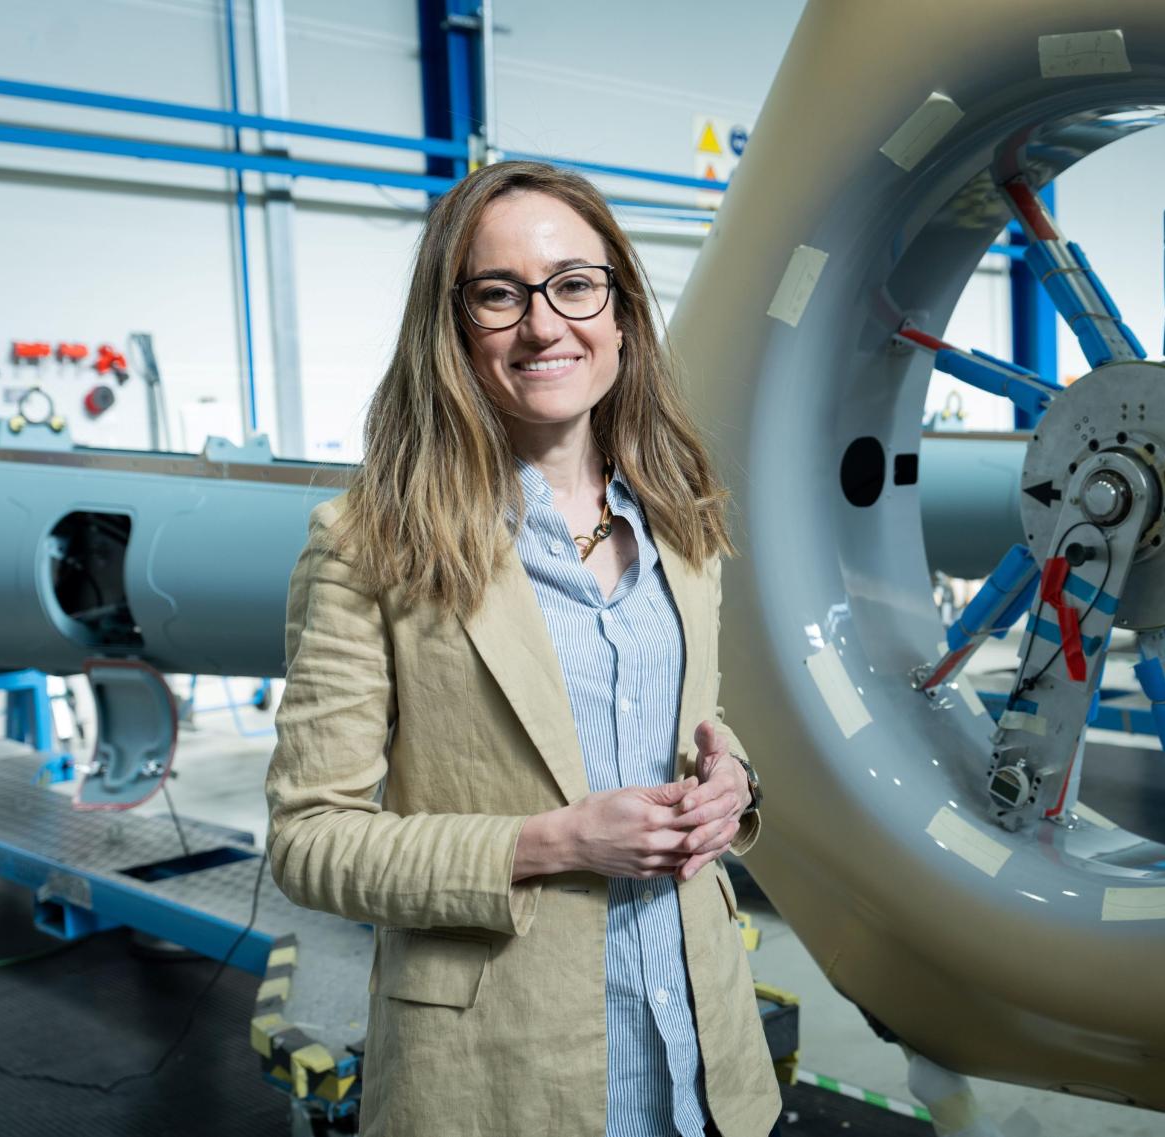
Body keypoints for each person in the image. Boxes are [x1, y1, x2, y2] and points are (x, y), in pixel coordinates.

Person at [265, 160, 781, 1137]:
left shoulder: (680, 515)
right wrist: (555, 843)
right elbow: (308, 842)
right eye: (498, 295)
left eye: (575, 285)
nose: (544, 325)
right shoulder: (369, 545)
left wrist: (731, 789)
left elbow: (683, 731)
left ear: (621, 312)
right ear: (451, 328)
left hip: (699, 1055)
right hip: (496, 1080)